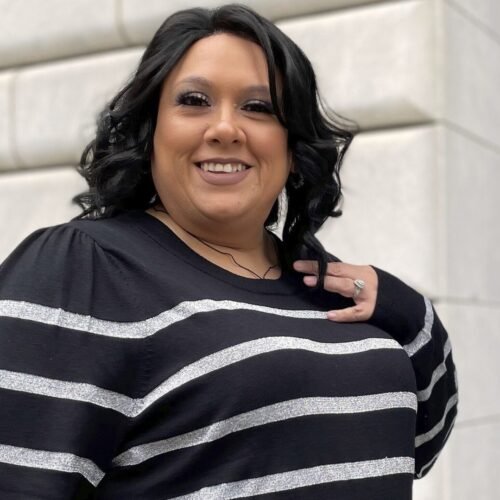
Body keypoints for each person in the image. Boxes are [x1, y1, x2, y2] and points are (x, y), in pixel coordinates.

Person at [0, 4, 457, 499]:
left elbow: (418, 444)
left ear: (291, 146)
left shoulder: (323, 282)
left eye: (258, 108)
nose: (225, 128)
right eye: (194, 101)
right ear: (151, 131)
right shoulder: (82, 269)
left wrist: (407, 310)